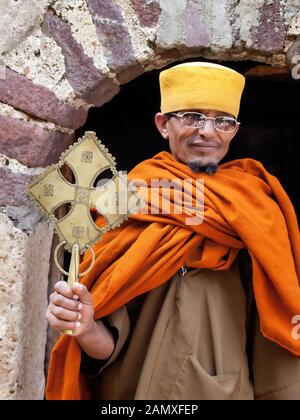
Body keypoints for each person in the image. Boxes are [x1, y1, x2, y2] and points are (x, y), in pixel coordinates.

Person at [46, 62, 300, 400]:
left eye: (222, 121)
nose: (207, 132)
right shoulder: (122, 198)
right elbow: (104, 347)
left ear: (233, 131)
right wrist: (84, 325)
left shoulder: (253, 208)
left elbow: (276, 341)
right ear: (163, 124)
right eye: (192, 116)